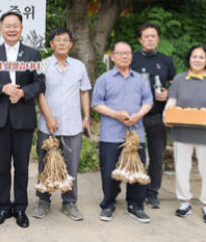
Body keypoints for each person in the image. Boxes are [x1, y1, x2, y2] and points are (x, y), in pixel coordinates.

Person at [0, 11, 45, 228]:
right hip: (0, 118)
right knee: (3, 166)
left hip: (23, 117)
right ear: (0, 28)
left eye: (15, 25)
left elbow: (41, 83)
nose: (11, 29)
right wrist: (3, 88)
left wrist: (23, 92)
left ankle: (20, 208)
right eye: (7, 25)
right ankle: (4, 207)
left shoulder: (33, 55)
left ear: (22, 29)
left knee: (23, 167)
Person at [31, 27, 91, 221]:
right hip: (47, 126)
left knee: (71, 166)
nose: (62, 43)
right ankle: (43, 200)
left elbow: (84, 92)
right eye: (58, 40)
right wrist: (48, 117)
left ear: (71, 44)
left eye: (66, 40)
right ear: (51, 44)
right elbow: (39, 93)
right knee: (45, 164)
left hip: (73, 126)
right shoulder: (43, 65)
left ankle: (69, 202)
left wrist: (87, 118)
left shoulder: (79, 66)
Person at [91, 41, 153, 223]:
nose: (124, 56)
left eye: (127, 53)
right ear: (113, 56)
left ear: (132, 56)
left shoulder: (140, 80)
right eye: (120, 53)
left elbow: (148, 101)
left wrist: (138, 115)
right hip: (111, 134)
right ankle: (108, 203)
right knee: (109, 171)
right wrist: (115, 114)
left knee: (136, 171)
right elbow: (96, 103)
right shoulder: (105, 79)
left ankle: (135, 205)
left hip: (135, 134)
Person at [164, 45, 206, 224]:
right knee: (182, 169)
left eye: (201, 57)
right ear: (189, 59)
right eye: (194, 56)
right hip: (182, 131)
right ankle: (184, 202)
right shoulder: (179, 79)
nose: (197, 60)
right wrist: (166, 117)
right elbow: (171, 102)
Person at [130, 22, 175, 209]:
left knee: (157, 157)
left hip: (158, 116)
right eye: (146, 36)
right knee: (135, 155)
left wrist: (168, 94)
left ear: (158, 38)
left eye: (153, 36)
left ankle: (152, 192)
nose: (150, 39)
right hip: (136, 116)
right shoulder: (131, 59)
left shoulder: (166, 61)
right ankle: (136, 191)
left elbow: (174, 85)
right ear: (140, 39)